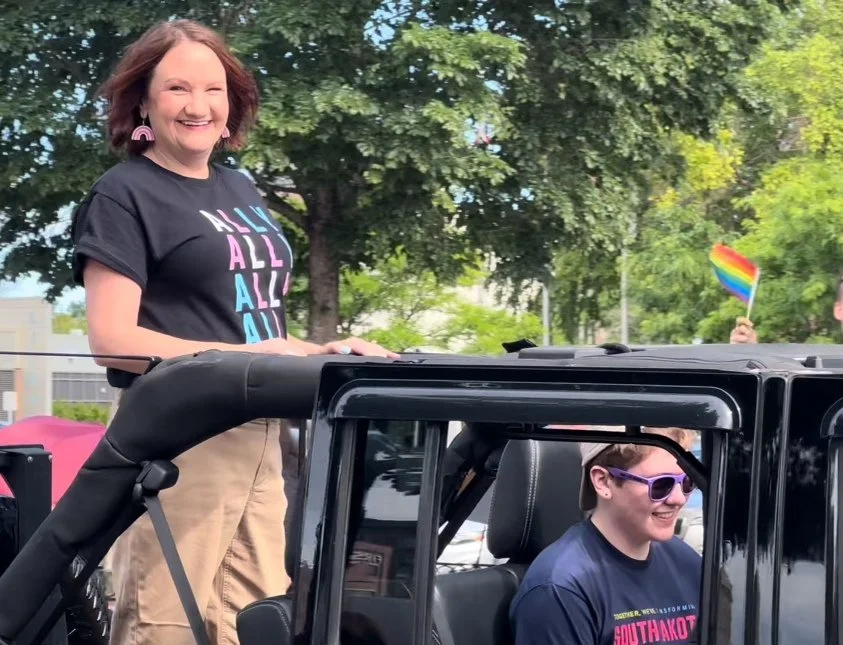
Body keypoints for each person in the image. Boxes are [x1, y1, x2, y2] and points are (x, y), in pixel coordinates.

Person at [71, 19, 398, 645]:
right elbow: (112, 339)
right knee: (167, 625)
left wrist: (316, 353)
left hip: (261, 431)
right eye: (177, 89)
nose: (198, 106)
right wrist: (249, 356)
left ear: (233, 101)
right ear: (142, 102)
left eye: (213, 89)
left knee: (257, 621)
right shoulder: (124, 194)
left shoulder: (238, 188)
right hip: (181, 438)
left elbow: (248, 325)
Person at [510, 427, 702, 645]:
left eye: (687, 482)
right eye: (660, 485)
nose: (678, 499)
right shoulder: (560, 589)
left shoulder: (688, 563)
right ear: (603, 481)